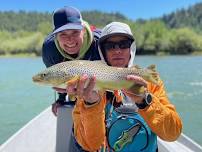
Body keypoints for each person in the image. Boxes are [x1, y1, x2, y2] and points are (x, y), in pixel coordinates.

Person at [66, 22, 183, 151]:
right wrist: (91, 104)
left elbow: (173, 134)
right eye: (110, 46)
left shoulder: (148, 82)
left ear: (131, 48)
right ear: (102, 51)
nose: (117, 50)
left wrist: (145, 101)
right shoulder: (89, 86)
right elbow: (90, 145)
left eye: (123, 44)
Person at [41, 6, 101, 152]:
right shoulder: (49, 50)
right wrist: (61, 100)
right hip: (73, 87)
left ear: (82, 29)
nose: (70, 40)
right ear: (55, 36)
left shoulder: (99, 42)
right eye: (63, 34)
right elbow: (58, 78)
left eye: (75, 32)